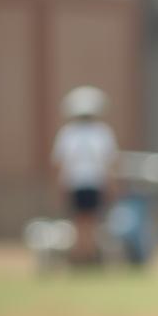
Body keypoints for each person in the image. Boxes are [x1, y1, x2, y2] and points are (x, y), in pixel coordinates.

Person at [52, 85, 119, 265]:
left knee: (79, 222)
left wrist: (60, 187)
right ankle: (88, 256)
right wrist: (112, 187)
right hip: (94, 183)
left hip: (75, 183)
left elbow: (60, 164)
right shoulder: (102, 132)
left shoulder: (67, 133)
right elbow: (108, 163)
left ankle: (80, 256)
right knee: (91, 222)